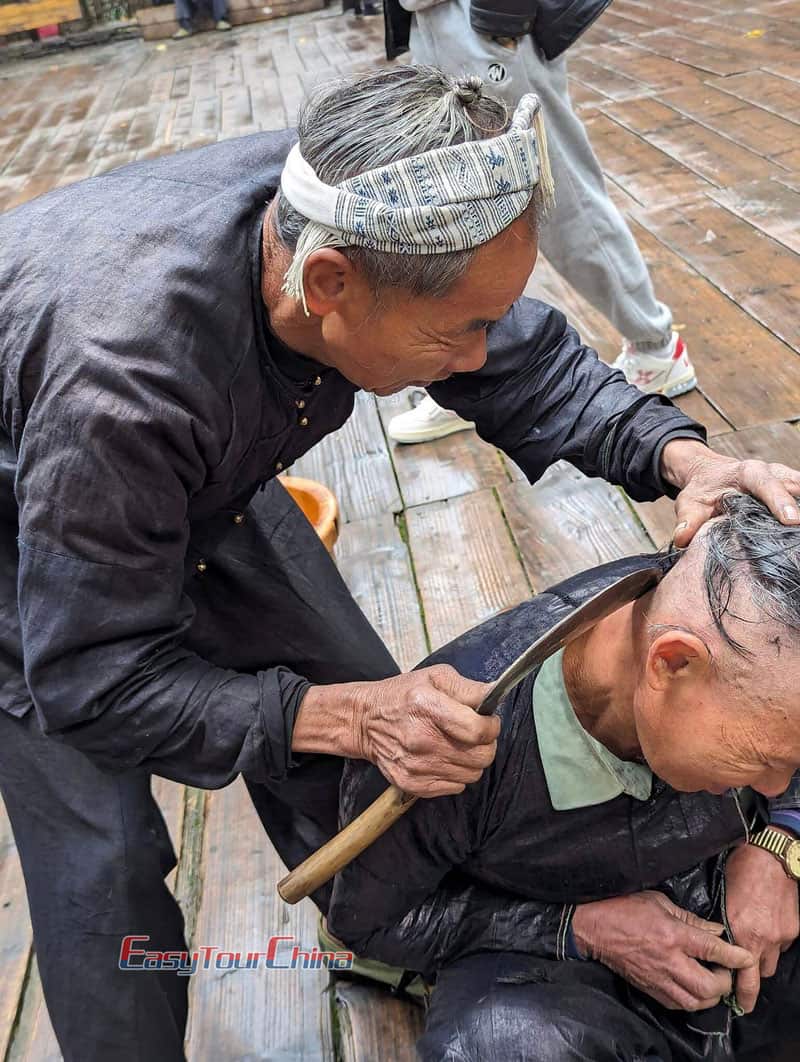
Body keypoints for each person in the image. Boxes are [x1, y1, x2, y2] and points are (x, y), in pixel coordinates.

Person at [1, 66, 799, 1061]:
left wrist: (683, 457)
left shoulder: (384, 207)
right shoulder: (123, 385)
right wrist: (345, 714)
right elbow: (91, 678)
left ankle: (400, 922)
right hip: (32, 529)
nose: (475, 358)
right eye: (458, 331)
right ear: (328, 285)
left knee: (377, 770)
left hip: (205, 477)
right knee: (101, 862)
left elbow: (524, 362)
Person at [328, 494, 800, 1061]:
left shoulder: (759, 656)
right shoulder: (442, 749)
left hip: (745, 893)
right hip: (551, 968)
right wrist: (575, 928)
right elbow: (374, 923)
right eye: (760, 758)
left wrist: (779, 843)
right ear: (671, 663)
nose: (773, 784)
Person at [383, 0, 695, 444]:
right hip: (432, 22)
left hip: (481, 25)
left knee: (562, 199)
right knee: (457, 206)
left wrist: (500, 23)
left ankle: (654, 345)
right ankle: (470, 380)